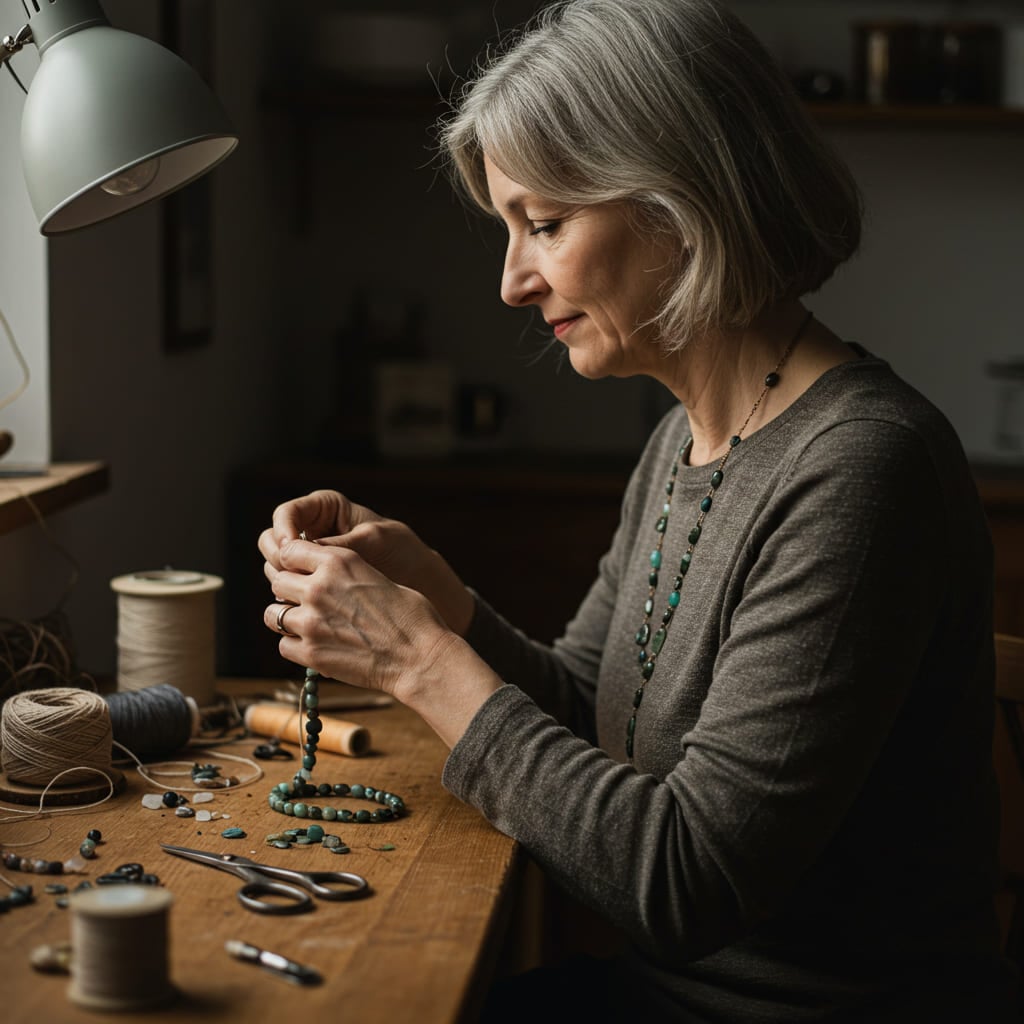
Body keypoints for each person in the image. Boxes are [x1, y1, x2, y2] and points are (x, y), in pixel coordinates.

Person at [258, 1, 1019, 1019]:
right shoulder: (684, 440)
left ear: (678, 201)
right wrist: (441, 604)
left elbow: (685, 881)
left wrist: (417, 661)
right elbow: (592, 713)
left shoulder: (861, 470)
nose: (511, 282)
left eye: (544, 224)